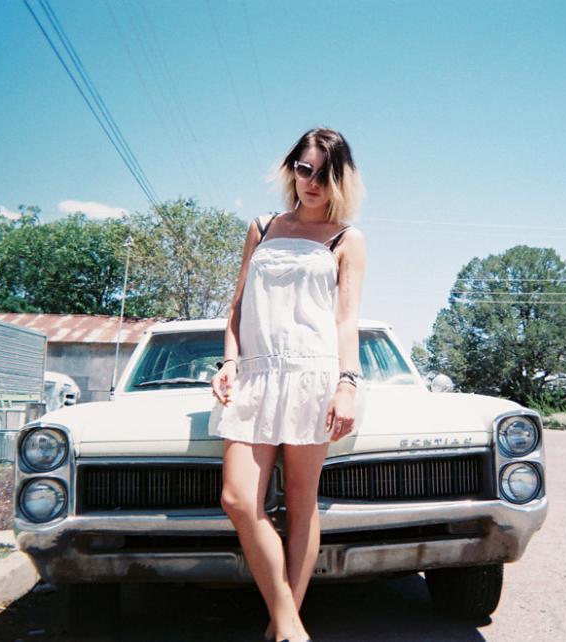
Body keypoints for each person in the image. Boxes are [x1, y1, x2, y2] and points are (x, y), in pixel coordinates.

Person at [208, 127, 366, 642]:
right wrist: (230, 362)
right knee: (237, 498)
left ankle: (281, 632)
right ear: (291, 169)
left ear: (339, 177)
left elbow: (346, 321)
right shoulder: (262, 226)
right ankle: (291, 625)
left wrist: (347, 384)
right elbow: (236, 308)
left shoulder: (347, 238)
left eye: (324, 172)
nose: (312, 181)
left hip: (313, 377)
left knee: (301, 504)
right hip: (255, 375)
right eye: (305, 168)